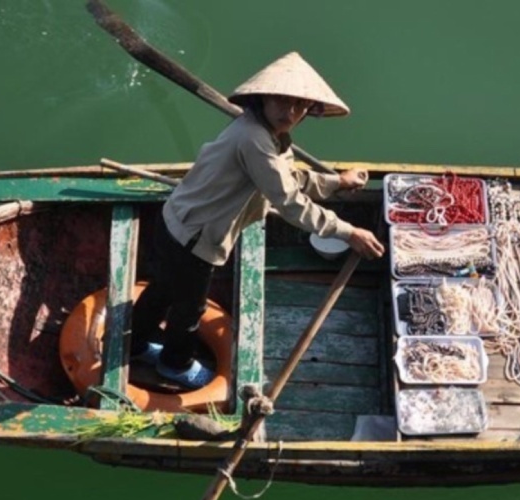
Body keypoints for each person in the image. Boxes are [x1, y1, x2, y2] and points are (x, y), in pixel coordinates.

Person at [130, 51, 385, 389]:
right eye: (282, 101)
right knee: (188, 309)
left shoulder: (268, 136)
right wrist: (348, 231)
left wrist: (337, 182)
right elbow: (291, 202)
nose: (289, 112)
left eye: (299, 106)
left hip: (175, 218)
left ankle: (136, 342)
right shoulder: (254, 140)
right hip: (194, 240)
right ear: (264, 97)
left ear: (308, 111)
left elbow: (289, 179)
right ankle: (174, 364)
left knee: (162, 288)